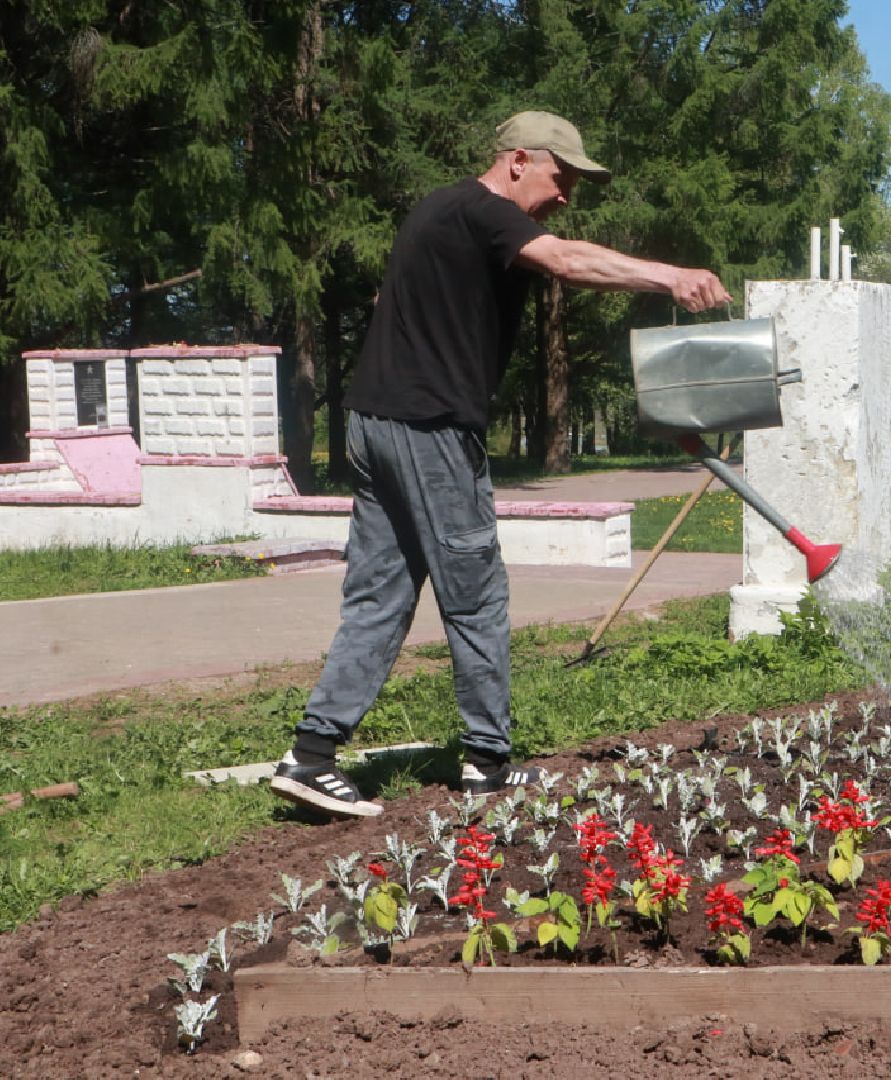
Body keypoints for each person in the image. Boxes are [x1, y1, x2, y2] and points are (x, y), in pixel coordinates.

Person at [271, 110, 731, 819]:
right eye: (560, 175)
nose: (565, 195)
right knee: (476, 593)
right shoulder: (485, 211)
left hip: (375, 423)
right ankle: (487, 763)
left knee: (381, 595)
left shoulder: (437, 210)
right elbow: (567, 260)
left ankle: (311, 755)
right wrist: (669, 276)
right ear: (519, 159)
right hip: (429, 428)